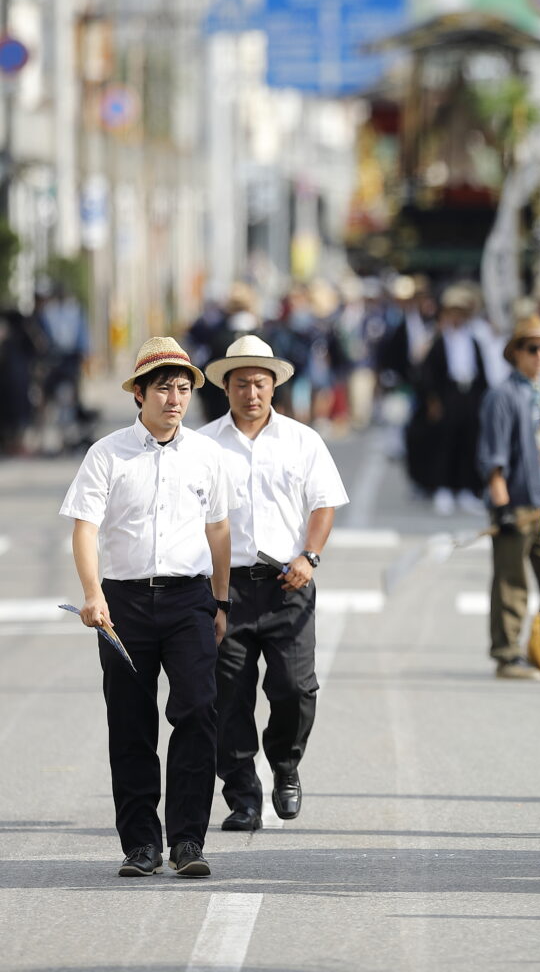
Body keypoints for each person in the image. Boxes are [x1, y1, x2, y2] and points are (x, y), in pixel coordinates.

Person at [60, 338, 232, 878]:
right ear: (139, 393)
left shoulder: (207, 454)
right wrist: (93, 593)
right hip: (125, 604)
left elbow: (219, 530)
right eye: (163, 387)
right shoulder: (106, 454)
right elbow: (84, 528)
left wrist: (221, 601)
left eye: (183, 389)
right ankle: (140, 845)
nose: (175, 398)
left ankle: (187, 841)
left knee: (198, 710)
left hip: (188, 601)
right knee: (131, 724)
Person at [199, 335, 348, 832]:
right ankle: (242, 795)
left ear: (274, 386)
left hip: (289, 581)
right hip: (227, 587)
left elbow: (323, 503)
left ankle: (285, 765)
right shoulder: (204, 445)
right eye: (241, 383)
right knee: (229, 695)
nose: (251, 393)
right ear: (226, 387)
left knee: (295, 687)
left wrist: (310, 555)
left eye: (260, 383)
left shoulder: (303, 440)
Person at [478, 315, 540, 681]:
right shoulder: (501, 396)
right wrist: (501, 507)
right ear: (515, 353)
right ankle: (506, 656)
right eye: (531, 347)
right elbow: (493, 460)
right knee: (511, 583)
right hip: (515, 505)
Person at [418, 283, 489, 515]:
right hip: (447, 395)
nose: (457, 317)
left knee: (469, 443)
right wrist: (432, 401)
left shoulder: (474, 339)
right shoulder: (439, 340)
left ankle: (466, 489)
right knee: (445, 443)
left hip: (469, 396)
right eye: (453, 312)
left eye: (461, 312)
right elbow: (427, 374)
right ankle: (443, 488)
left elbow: (480, 372)